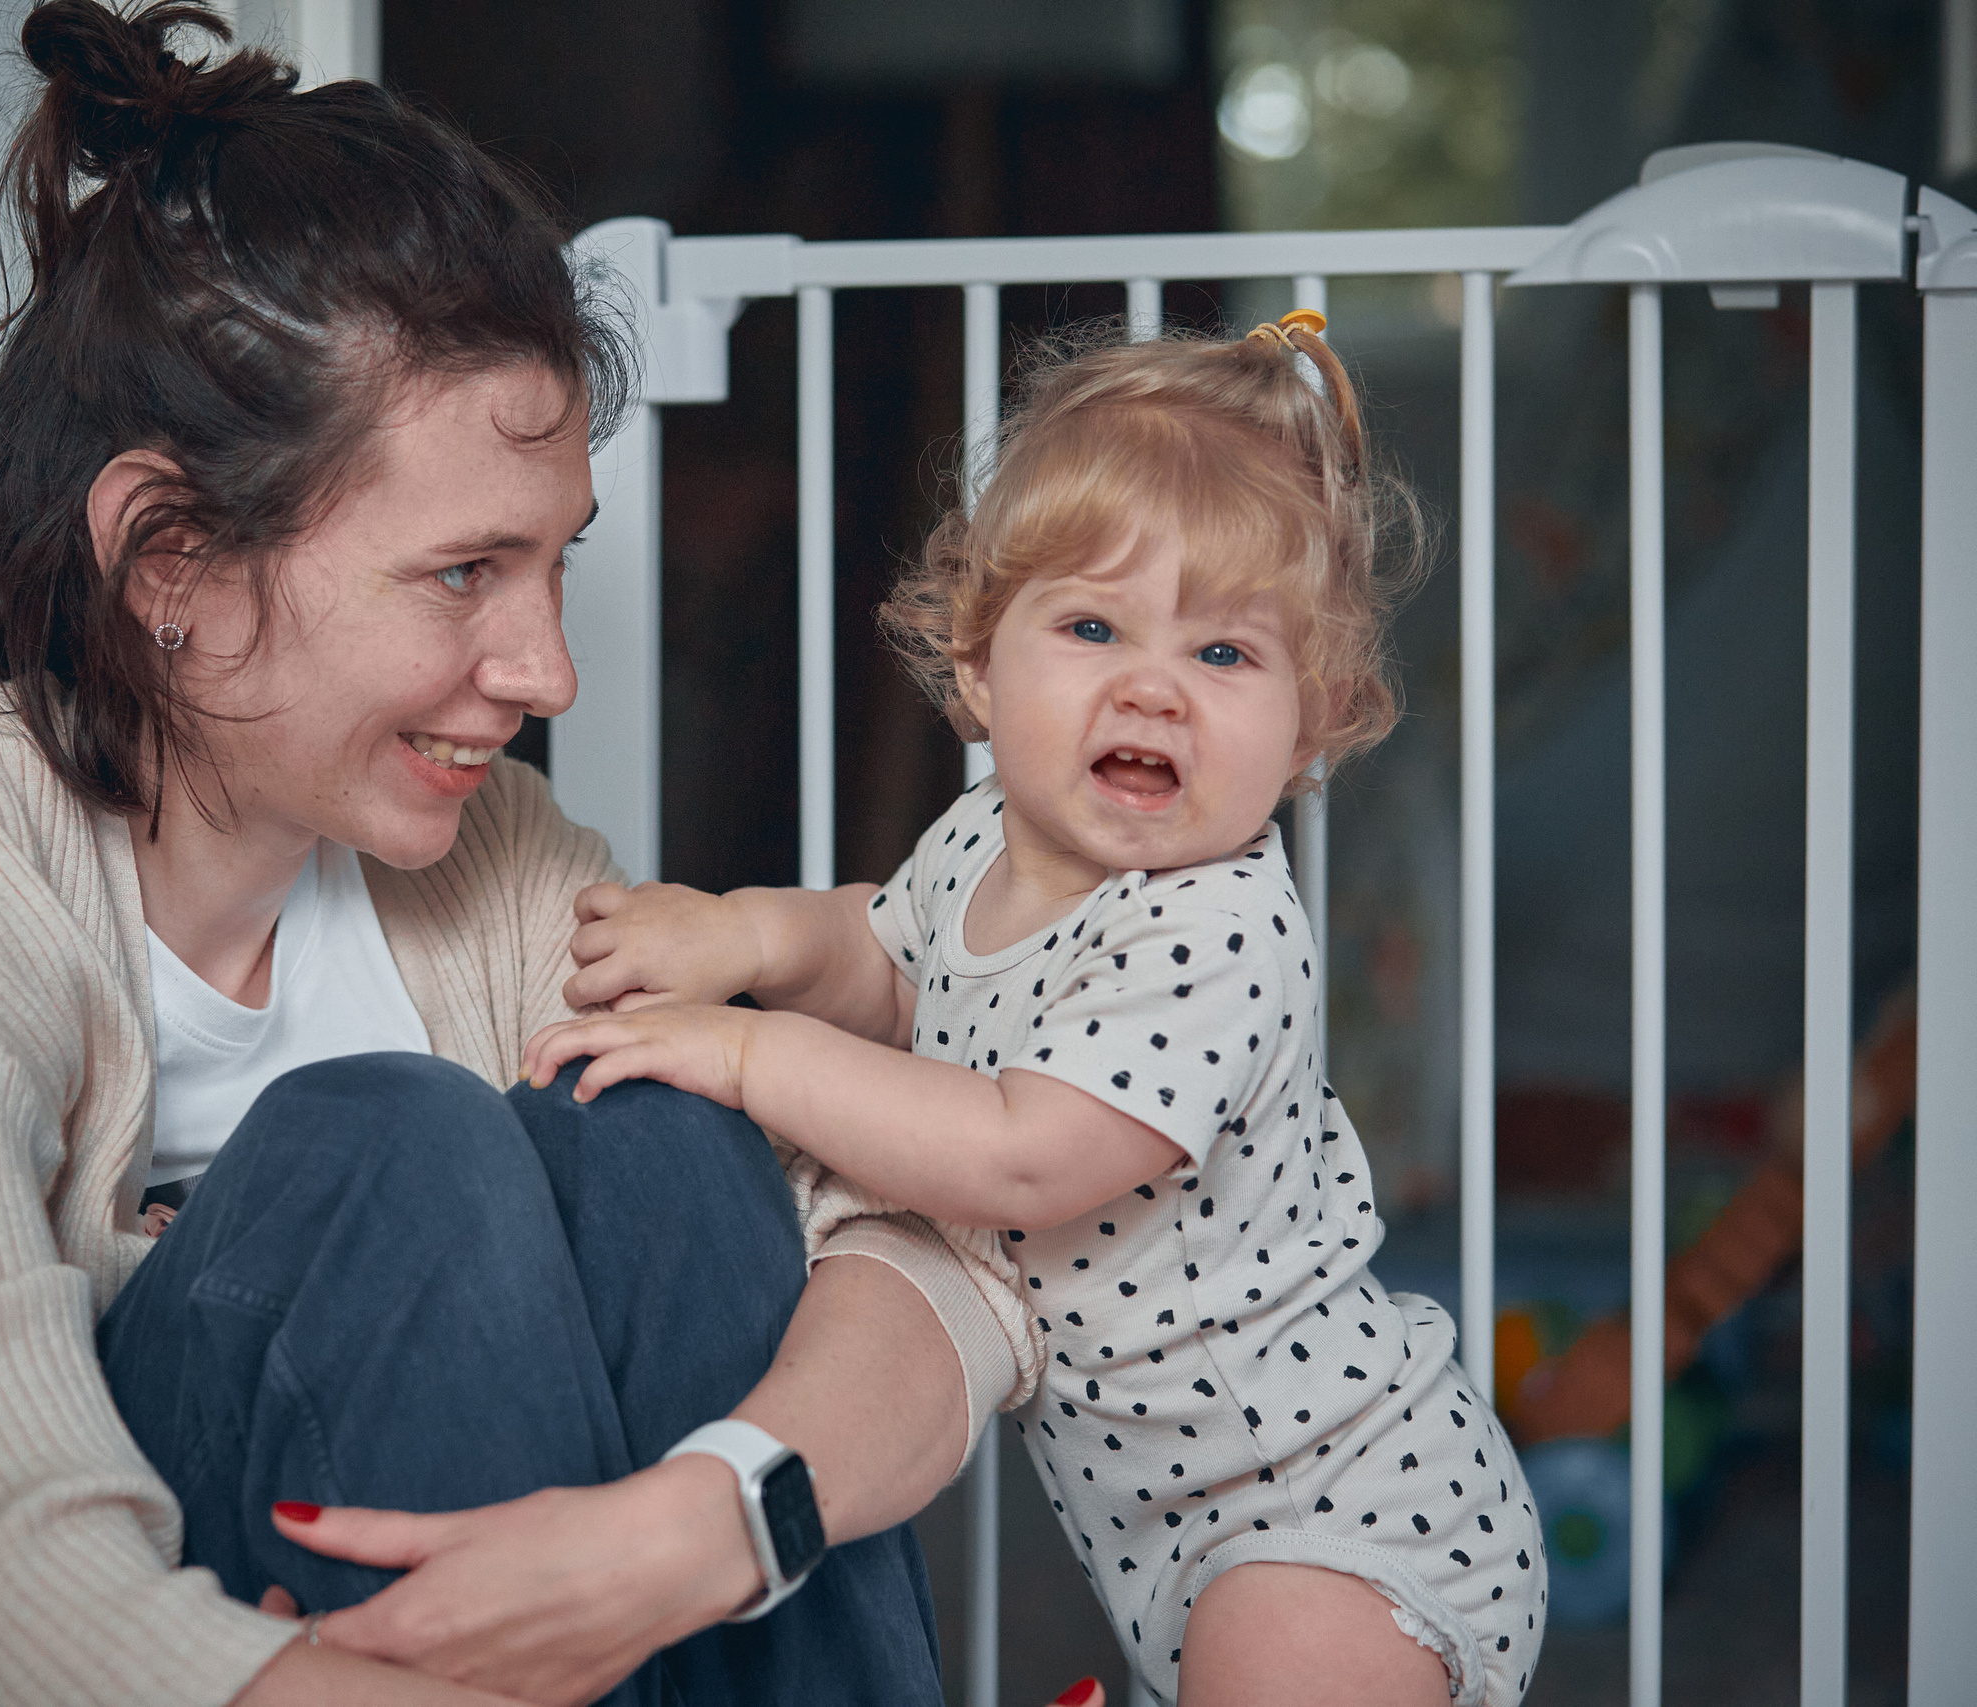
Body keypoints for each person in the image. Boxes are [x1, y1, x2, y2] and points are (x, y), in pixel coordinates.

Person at [0, 5, 1060, 1702]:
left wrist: (702, 1524)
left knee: (668, 1132)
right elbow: (1, 1606)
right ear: (169, 561)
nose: (546, 672)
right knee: (389, 1150)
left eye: (555, 568)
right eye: (464, 573)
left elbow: (936, 1268)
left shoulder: (494, 872)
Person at [526, 314, 1549, 1706]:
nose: (1153, 687)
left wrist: (755, 1051)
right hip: (1161, 1524)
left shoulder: (1222, 933)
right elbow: (883, 956)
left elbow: (1020, 1151)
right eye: (1091, 626)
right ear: (976, 668)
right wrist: (744, 934)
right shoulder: (984, 841)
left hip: (1339, 1506)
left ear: (1312, 731)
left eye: (1227, 658)